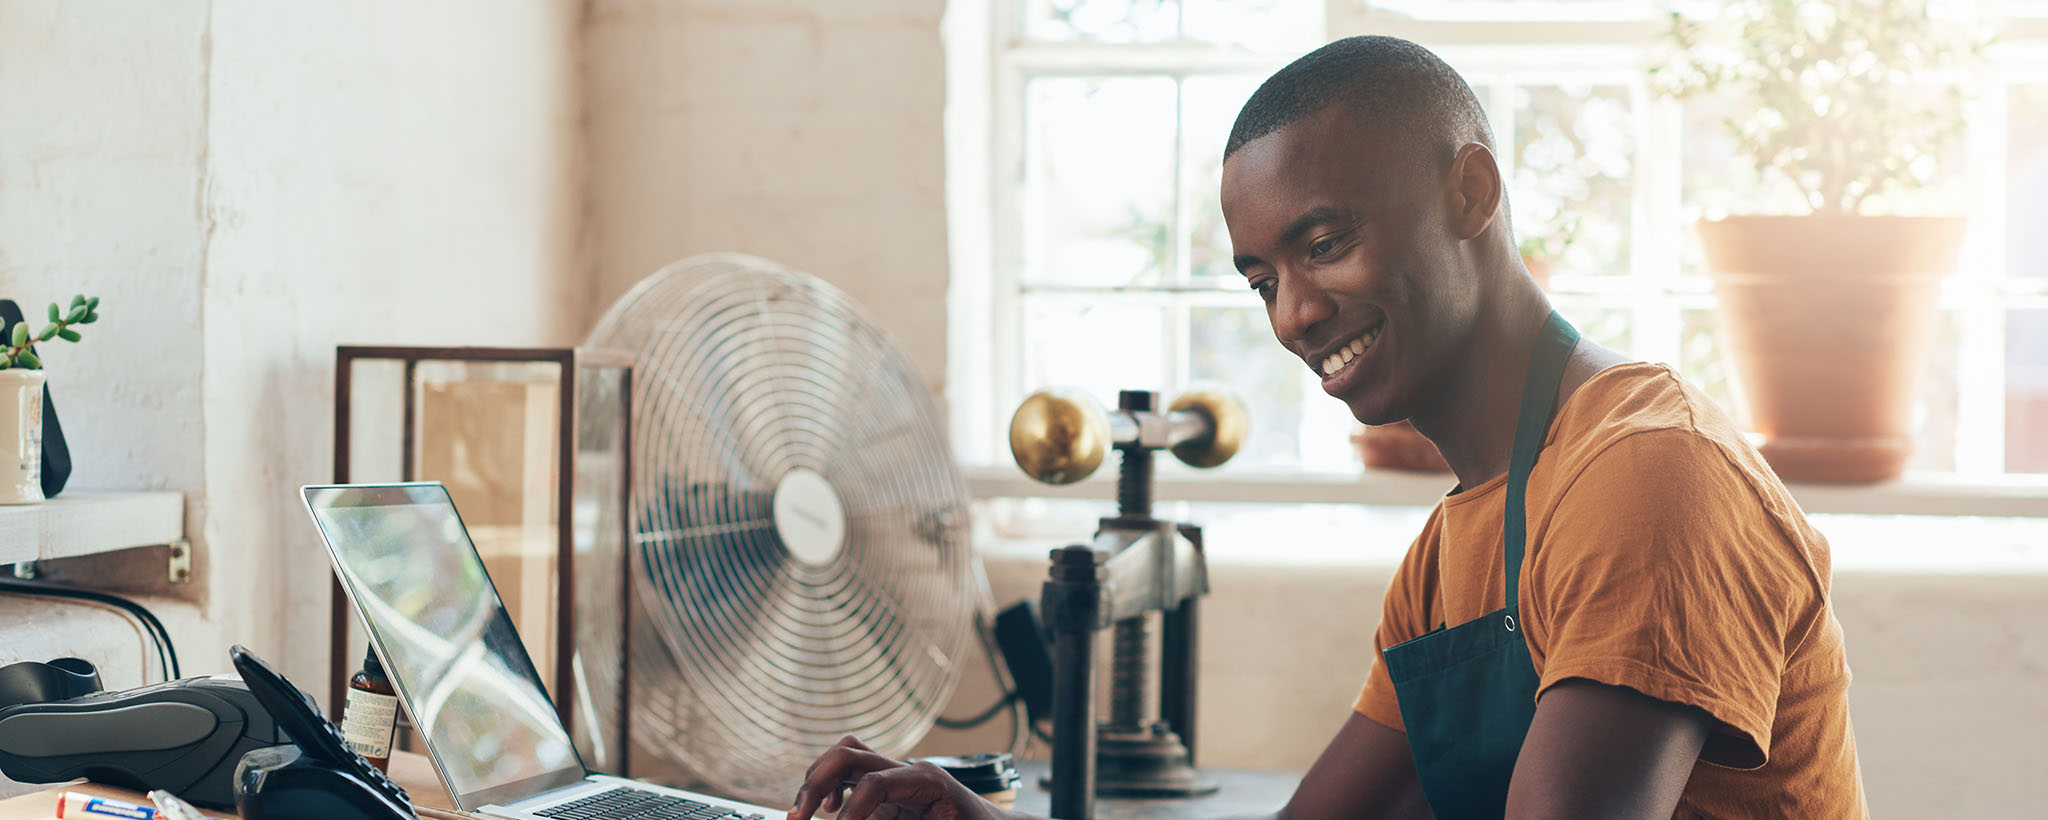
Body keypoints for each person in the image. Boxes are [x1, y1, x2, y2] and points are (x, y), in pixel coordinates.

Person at [788, 35, 1865, 820]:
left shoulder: (1644, 474)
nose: (1293, 313)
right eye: (1260, 279)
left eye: (1323, 242)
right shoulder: (1446, 562)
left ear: (1470, 191)